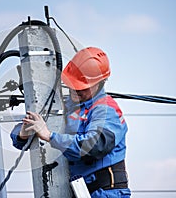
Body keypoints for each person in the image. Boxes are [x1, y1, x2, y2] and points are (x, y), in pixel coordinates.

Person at [10, 47, 131, 198]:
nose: (74, 89)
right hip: (80, 192)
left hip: (106, 194)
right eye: (72, 84)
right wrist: (23, 134)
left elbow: (93, 146)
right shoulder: (68, 106)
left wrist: (50, 136)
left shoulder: (106, 109)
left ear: (99, 83)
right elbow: (33, 122)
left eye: (81, 87)